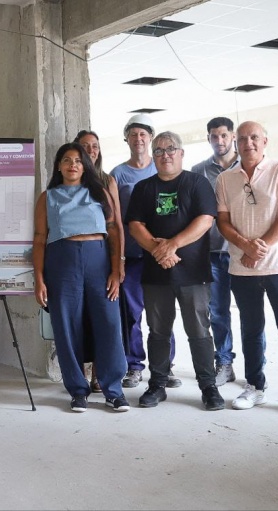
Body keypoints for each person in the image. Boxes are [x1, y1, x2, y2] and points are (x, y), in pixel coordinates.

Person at [215, 121, 278, 418]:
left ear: (265, 141)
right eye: (243, 138)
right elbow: (222, 220)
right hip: (242, 268)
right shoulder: (225, 178)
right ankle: (255, 388)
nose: (249, 143)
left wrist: (259, 247)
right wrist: (245, 246)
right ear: (236, 143)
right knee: (251, 331)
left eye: (254, 137)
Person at [126, 132, 225, 411]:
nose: (165, 154)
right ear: (152, 156)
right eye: (158, 150)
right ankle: (157, 384)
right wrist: (159, 251)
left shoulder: (197, 183)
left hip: (193, 272)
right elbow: (135, 225)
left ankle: (208, 386)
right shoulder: (144, 188)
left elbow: (206, 219)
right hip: (156, 273)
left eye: (171, 149)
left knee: (199, 330)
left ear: (181, 153)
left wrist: (172, 245)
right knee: (158, 331)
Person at [33, 143, 129, 413]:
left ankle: (114, 390)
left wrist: (115, 269)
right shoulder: (48, 197)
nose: (72, 165)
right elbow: (40, 239)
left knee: (108, 322)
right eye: (66, 160)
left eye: (77, 160)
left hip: (98, 260)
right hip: (61, 260)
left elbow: (113, 230)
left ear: (85, 164)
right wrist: (39, 279)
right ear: (59, 166)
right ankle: (77, 390)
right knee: (66, 325)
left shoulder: (99, 192)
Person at [110, 114, 179, 389]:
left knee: (162, 314)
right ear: (126, 138)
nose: (138, 139)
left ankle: (165, 367)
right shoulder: (118, 174)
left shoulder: (162, 169)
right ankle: (134, 365)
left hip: (161, 257)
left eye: (143, 134)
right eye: (133, 134)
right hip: (134, 257)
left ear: (150, 139)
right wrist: (120, 258)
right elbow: (115, 220)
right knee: (132, 315)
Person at [190, 117, 243, 386]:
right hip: (211, 254)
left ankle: (256, 367)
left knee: (250, 312)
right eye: (214, 136)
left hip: (242, 253)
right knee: (218, 311)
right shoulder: (198, 171)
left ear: (232, 136)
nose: (219, 141)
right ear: (208, 138)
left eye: (224, 135)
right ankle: (224, 361)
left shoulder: (247, 167)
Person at [73, 130, 124, 394]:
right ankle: (78, 375)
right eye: (85, 146)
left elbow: (116, 226)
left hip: (101, 259)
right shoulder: (66, 182)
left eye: (95, 146)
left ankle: (99, 375)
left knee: (102, 320)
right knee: (77, 320)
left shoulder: (107, 181)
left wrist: (119, 265)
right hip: (72, 263)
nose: (91, 150)